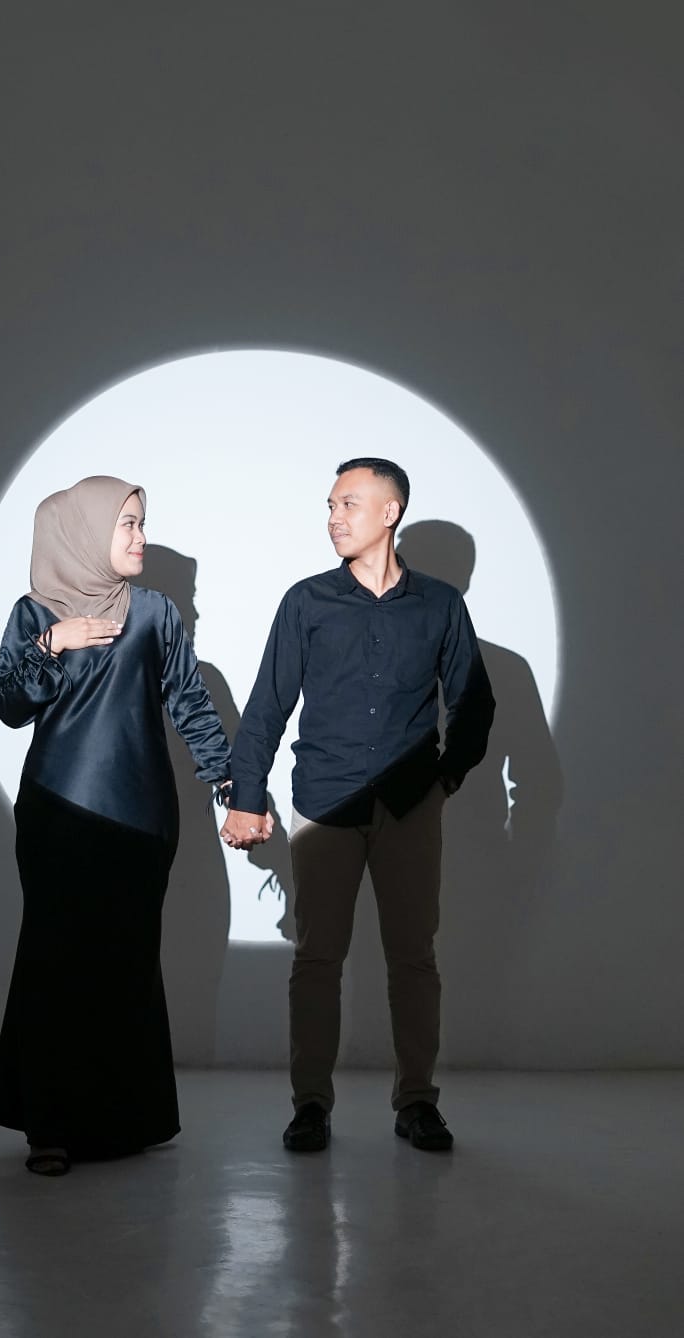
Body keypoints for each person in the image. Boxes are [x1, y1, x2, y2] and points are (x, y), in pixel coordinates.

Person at [220, 458, 495, 1153]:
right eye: (331, 506)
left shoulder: (440, 606)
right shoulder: (306, 602)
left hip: (409, 807)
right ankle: (310, 1106)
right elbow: (267, 707)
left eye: (348, 503)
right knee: (317, 959)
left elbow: (474, 703)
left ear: (390, 512)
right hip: (325, 804)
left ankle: (417, 1103)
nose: (334, 518)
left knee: (413, 958)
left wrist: (444, 781)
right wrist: (246, 797)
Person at [0, 475, 233, 1175]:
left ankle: (122, 1122)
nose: (140, 537)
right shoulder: (36, 612)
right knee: (56, 962)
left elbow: (190, 703)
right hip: (59, 811)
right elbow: (7, 703)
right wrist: (51, 644)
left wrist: (231, 783)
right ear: (85, 532)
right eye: (127, 523)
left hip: (144, 818)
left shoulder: (154, 614)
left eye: (142, 523)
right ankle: (50, 1127)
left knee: (127, 961)